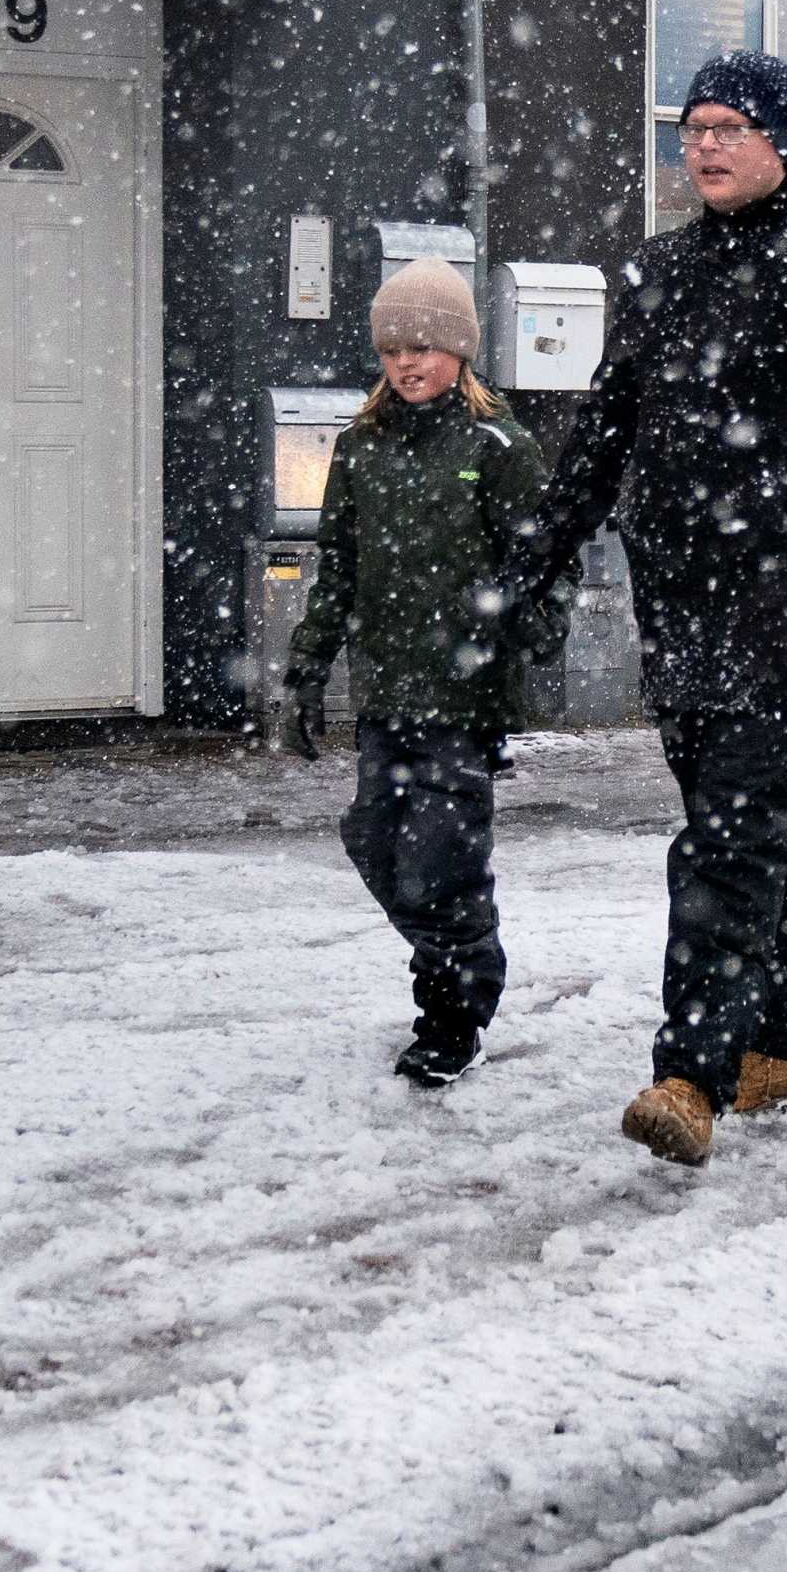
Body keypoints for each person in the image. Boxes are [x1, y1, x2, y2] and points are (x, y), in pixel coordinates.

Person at [494, 49, 787, 1167]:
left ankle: (691, 1072)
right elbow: (602, 434)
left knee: (724, 834)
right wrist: (532, 565)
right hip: (681, 593)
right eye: (692, 126)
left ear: (780, 144)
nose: (704, 144)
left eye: (729, 127)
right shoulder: (655, 273)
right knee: (737, 820)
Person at [279, 259, 570, 1086]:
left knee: (442, 856)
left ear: (462, 351)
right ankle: (466, 953)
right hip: (385, 688)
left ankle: (451, 1013)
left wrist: (529, 625)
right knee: (375, 840)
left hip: (464, 693)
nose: (409, 363)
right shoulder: (359, 447)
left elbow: (550, 562)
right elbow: (336, 566)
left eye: (426, 347)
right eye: (394, 349)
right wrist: (307, 670)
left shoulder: (499, 446)